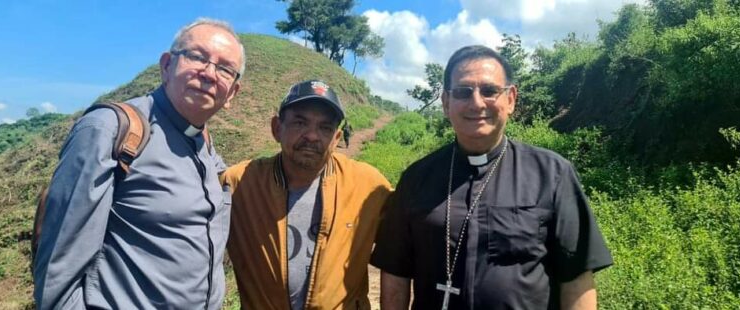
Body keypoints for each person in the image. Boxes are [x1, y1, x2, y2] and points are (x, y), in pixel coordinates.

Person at [371, 45, 613, 310]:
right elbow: (396, 273)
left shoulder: (553, 174)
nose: (476, 103)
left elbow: (576, 277)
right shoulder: (416, 179)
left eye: (489, 91)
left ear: (510, 99)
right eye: (463, 92)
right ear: (446, 103)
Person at [33, 18, 245, 309]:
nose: (209, 73)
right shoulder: (109, 129)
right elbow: (59, 270)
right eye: (197, 57)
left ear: (232, 93)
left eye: (224, 69)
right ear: (167, 65)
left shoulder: (205, 144)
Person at [221, 80, 392, 309]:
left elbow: (405, 247)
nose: (312, 136)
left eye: (325, 127)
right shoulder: (239, 184)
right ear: (276, 128)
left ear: (337, 138)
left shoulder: (368, 186)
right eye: (300, 123)